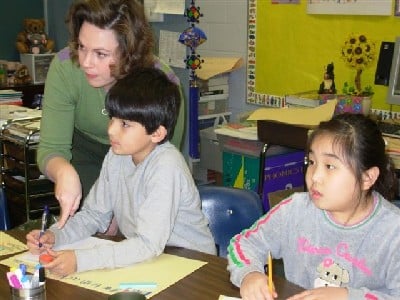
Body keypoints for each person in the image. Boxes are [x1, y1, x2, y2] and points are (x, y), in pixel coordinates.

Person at [26, 68, 216, 276]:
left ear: (157, 133)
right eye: (112, 118)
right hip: (154, 262)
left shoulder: (166, 166)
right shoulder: (117, 156)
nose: (111, 130)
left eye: (125, 124)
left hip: (194, 268)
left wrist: (81, 260)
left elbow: (147, 244)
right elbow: (93, 215)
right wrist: (56, 236)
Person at [37, 0, 185, 229]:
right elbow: (51, 147)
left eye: (101, 54)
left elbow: (160, 163)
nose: (86, 62)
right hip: (83, 152)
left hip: (139, 160)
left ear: (129, 52)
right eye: (82, 47)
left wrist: (119, 213)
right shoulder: (66, 67)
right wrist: (63, 171)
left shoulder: (162, 87)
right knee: (87, 229)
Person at [227, 113, 400, 300]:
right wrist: (249, 274)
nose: (314, 176)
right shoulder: (295, 210)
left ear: (367, 178)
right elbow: (243, 244)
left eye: (330, 166)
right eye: (312, 162)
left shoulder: (393, 231)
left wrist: (348, 296)